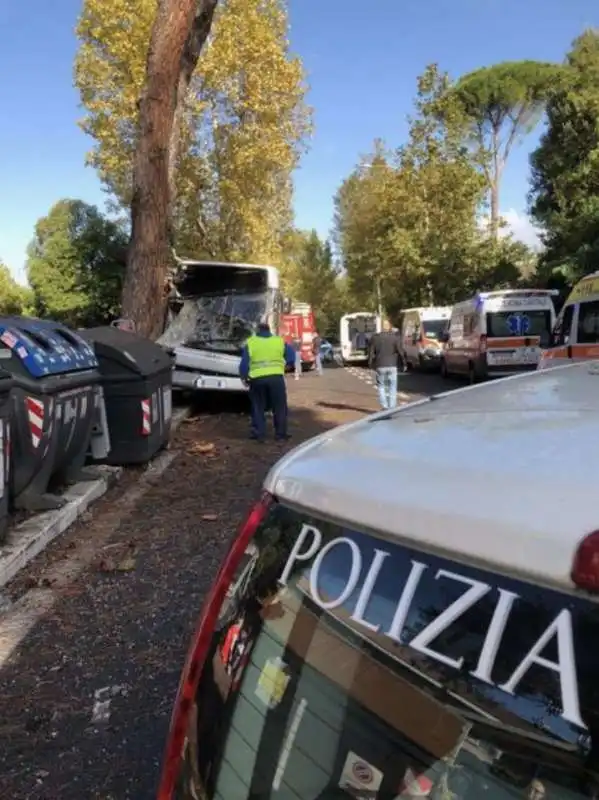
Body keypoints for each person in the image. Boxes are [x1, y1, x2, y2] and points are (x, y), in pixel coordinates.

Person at [239, 321, 295, 442]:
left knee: (258, 406)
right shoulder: (279, 341)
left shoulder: (251, 342)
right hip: (276, 378)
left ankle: (259, 434)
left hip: (257, 379)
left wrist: (244, 377)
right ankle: (281, 434)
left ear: (257, 330)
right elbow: (291, 355)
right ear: (269, 330)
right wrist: (288, 366)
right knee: (279, 406)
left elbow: (244, 364)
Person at [368, 319, 403, 410]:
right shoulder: (395, 337)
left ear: (381, 327)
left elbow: (371, 352)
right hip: (392, 365)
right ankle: (392, 407)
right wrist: (404, 362)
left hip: (380, 365)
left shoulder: (375, 338)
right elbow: (400, 351)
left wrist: (370, 364)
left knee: (381, 386)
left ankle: (385, 406)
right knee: (392, 386)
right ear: (389, 327)